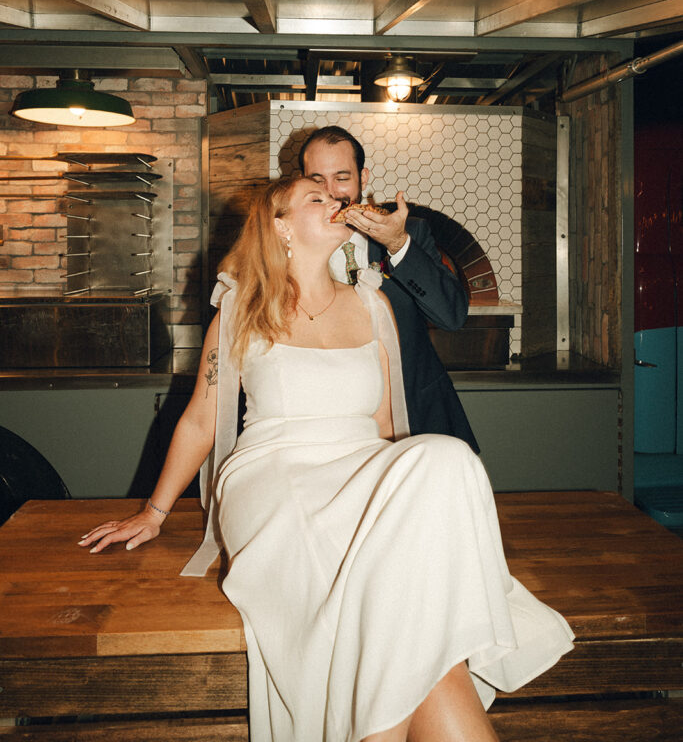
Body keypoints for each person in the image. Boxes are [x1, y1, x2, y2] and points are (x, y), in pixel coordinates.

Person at [80, 176, 574, 742]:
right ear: (281, 227)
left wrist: (403, 508)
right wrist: (156, 511)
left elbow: (388, 427)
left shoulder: (375, 306)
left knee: (449, 456)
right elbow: (200, 418)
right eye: (318, 199)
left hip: (357, 464)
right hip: (274, 470)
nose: (337, 203)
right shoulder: (242, 310)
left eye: (336, 196)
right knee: (422, 634)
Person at [299, 125, 478, 451]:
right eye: (316, 180)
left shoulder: (409, 232)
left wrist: (398, 244)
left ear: (363, 178)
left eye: (342, 177)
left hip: (417, 418)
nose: (330, 192)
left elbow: (453, 316)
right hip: (331, 426)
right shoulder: (294, 243)